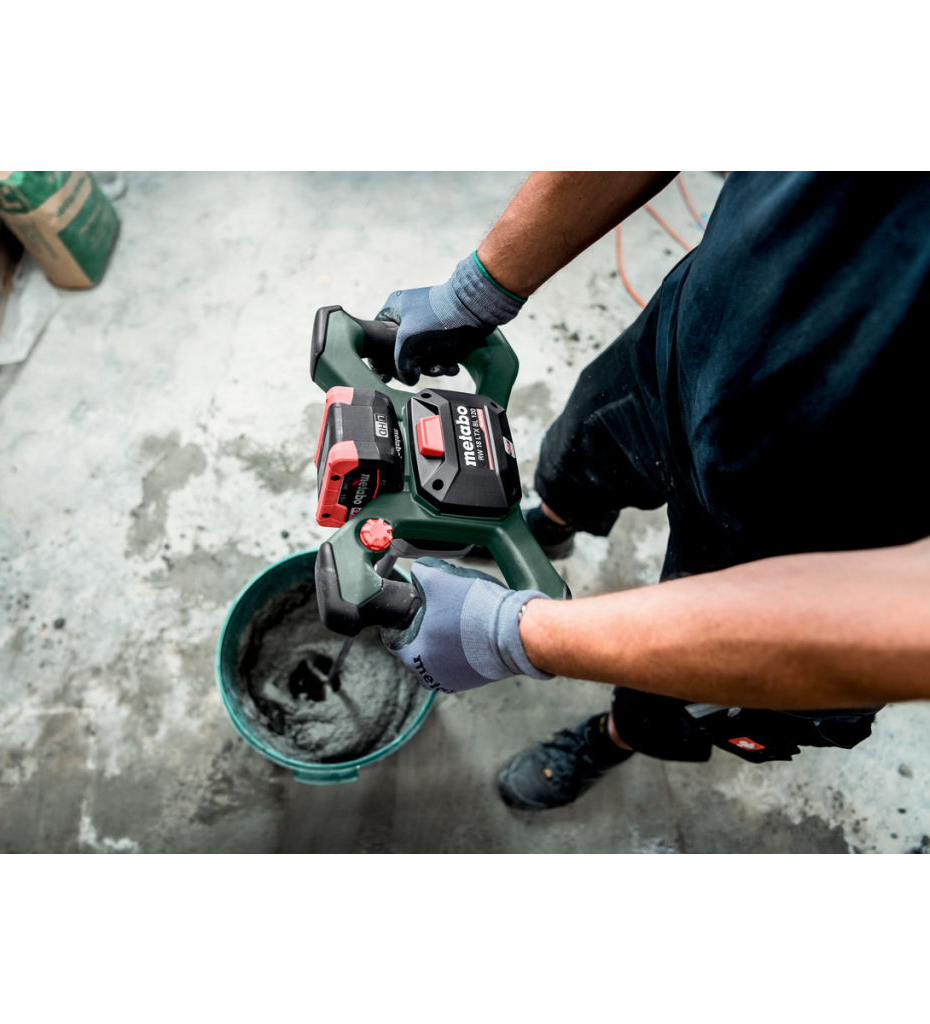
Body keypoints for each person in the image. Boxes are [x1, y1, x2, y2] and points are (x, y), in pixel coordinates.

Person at [373, 172, 930, 811]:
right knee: (579, 452)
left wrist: (514, 636)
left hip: (836, 536)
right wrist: (478, 291)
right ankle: (548, 529)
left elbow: (908, 617)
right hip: (700, 333)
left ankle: (619, 735)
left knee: (697, 686)